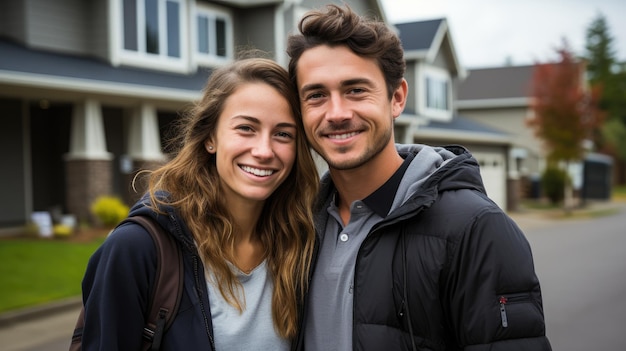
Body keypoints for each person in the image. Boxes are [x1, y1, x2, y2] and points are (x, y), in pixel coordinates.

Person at [286, 4, 551, 351]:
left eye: (355, 90)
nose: (337, 113)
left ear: (396, 98)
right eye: (317, 95)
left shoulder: (477, 229)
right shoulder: (296, 225)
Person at [78, 57, 319, 350]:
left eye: (283, 134)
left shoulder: (302, 244)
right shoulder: (138, 248)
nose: (264, 150)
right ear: (210, 138)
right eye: (246, 128)